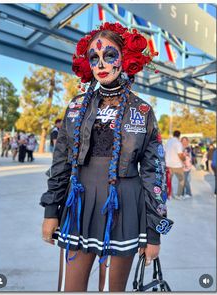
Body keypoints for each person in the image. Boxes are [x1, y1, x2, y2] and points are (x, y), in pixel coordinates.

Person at [40, 22, 173, 292]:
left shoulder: (143, 110)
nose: (101, 64)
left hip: (123, 210)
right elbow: (61, 162)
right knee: (70, 288)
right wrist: (51, 211)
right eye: (94, 58)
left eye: (109, 55)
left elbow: (154, 173)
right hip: (78, 206)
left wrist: (154, 231)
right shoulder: (76, 106)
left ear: (126, 58)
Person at [165, 130, 185, 200]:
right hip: (177, 165)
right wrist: (184, 160)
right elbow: (180, 154)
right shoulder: (178, 143)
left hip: (168, 164)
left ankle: (169, 194)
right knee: (181, 180)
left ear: (173, 135)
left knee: (169, 180)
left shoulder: (168, 142)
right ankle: (178, 195)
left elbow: (165, 152)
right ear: (179, 136)